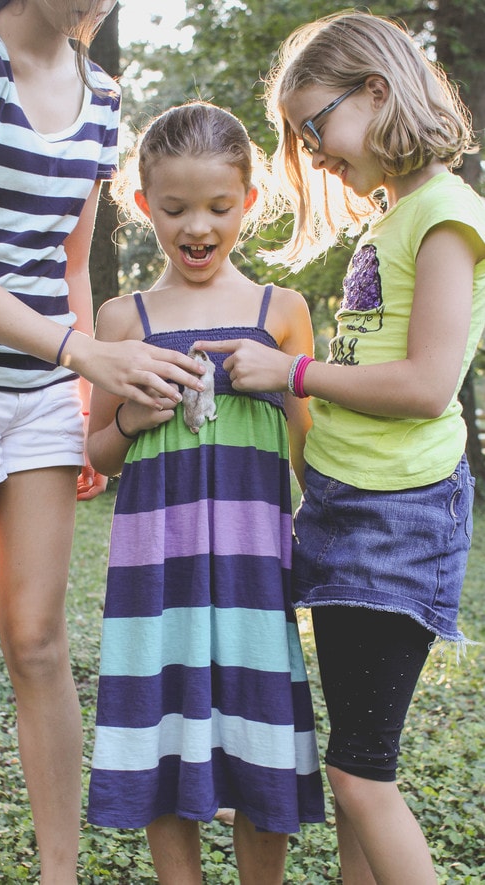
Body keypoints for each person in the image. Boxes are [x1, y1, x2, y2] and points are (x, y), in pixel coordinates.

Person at [0, 2, 205, 882]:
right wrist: (83, 354)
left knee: (38, 644)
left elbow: (70, 264)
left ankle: (58, 875)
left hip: (39, 395)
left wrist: (77, 398)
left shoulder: (102, 94)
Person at [196, 10, 485, 885]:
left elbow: (427, 383)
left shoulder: (445, 215)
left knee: (360, 775)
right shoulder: (392, 218)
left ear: (376, 91)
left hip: (398, 515)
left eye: (313, 126)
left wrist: (293, 372)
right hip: (344, 505)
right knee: (360, 766)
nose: (311, 151)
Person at [85, 101, 326, 885]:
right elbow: (99, 452)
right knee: (162, 729)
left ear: (248, 202)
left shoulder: (280, 313)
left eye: (219, 207)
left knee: (261, 729)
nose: (197, 226)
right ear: (143, 204)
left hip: (255, 569)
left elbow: (310, 453)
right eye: (176, 208)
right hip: (157, 571)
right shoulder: (122, 319)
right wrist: (133, 414)